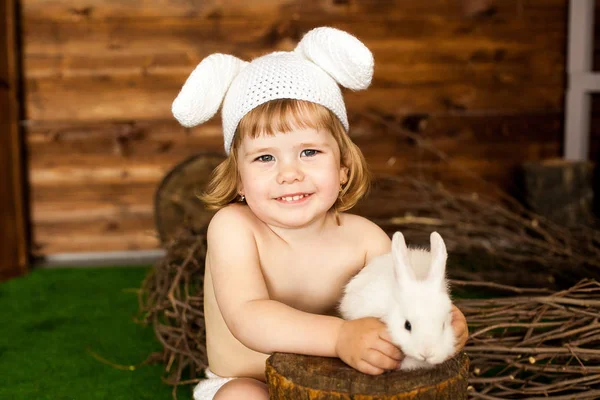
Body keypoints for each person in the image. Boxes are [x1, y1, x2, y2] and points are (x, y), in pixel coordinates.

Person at [171, 27, 469, 400]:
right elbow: (248, 317)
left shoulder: (363, 239)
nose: (289, 173)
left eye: (309, 152)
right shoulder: (234, 228)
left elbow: (409, 297)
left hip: (337, 381)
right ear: (240, 181)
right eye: (265, 157)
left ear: (343, 167)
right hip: (251, 382)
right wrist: (340, 335)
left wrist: (441, 320)